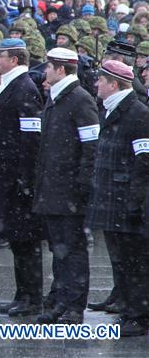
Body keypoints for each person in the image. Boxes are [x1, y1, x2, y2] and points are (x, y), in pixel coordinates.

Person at [33, 47, 99, 324]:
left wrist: (82, 187)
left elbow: (91, 147)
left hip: (69, 191)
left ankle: (74, 305)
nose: (45, 73)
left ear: (61, 69)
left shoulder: (79, 99)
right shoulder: (57, 97)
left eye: (48, 67)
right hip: (53, 189)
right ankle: (61, 301)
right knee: (59, 250)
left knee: (73, 250)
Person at [86, 60, 149, 337]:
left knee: (135, 262)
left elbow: (143, 161)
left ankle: (139, 316)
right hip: (112, 197)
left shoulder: (138, 114)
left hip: (126, 200)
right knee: (121, 260)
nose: (96, 84)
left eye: (100, 80)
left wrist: (135, 202)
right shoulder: (110, 109)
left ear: (114, 84)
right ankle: (127, 308)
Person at [0, 38, 44, 317]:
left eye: (1, 56)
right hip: (7, 175)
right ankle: (23, 293)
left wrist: (25, 180)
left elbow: (31, 140)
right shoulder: (11, 85)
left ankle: (32, 297)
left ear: (15, 60)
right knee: (18, 241)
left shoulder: (24, 88)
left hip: (17, 178)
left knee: (26, 241)